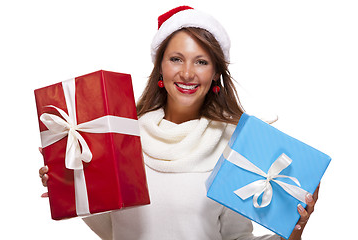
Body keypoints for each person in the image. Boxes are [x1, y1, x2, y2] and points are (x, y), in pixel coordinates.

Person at [39, 6, 319, 240]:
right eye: (176, 59)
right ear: (160, 65)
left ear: (215, 73)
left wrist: (294, 229)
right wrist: (67, 182)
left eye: (201, 62)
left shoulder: (234, 147)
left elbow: (237, 237)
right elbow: (113, 230)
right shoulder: (121, 136)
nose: (187, 73)